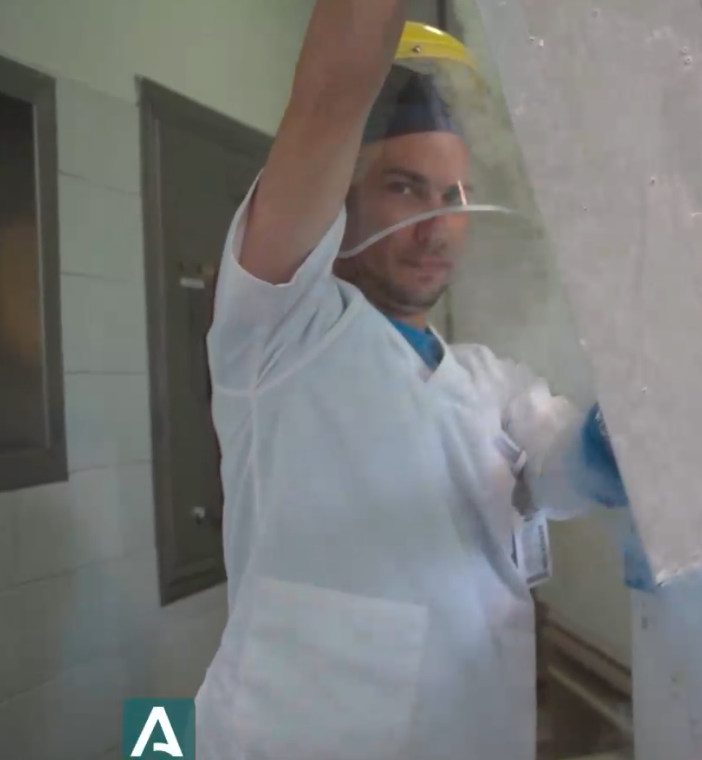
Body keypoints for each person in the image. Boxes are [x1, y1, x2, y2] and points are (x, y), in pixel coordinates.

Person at [195, 4, 625, 759]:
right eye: (405, 188)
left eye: (454, 197)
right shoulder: (283, 329)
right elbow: (332, 90)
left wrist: (636, 434)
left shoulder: (490, 379)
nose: (437, 226)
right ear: (345, 197)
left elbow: (565, 467)